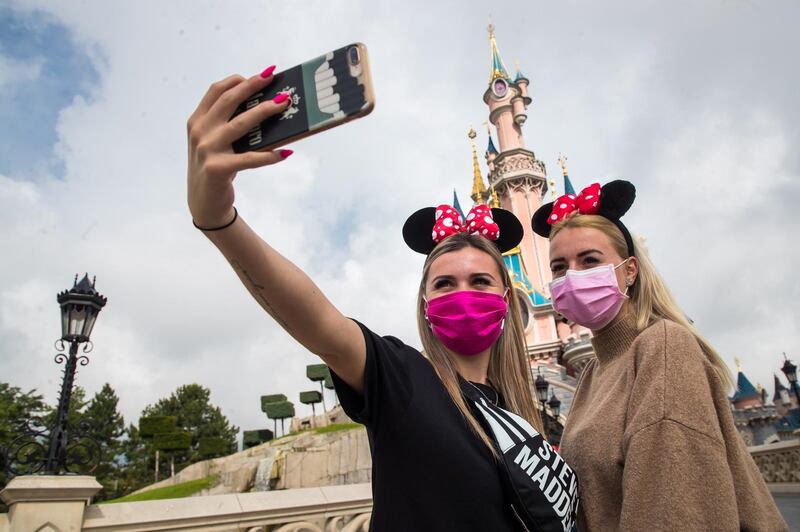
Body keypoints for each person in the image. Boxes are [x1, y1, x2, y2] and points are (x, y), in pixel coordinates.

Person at [187, 69, 579, 531]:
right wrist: (219, 221)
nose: (463, 294)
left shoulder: (519, 416)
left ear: (508, 299)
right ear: (425, 306)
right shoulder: (405, 380)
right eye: (444, 284)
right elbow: (318, 322)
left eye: (480, 281)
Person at [532, 181, 788, 531]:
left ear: (629, 270)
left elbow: (675, 508)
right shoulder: (595, 370)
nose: (573, 275)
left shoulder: (663, 346)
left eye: (590, 260)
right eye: (560, 267)